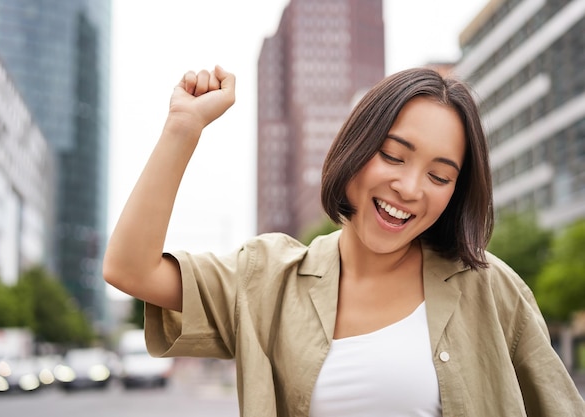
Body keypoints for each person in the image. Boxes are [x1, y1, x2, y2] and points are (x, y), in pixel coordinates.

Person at [103, 65, 585, 417]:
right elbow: (130, 270)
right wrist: (183, 128)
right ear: (356, 148)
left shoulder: (493, 289)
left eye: (440, 176)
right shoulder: (267, 279)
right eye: (394, 157)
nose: (411, 188)